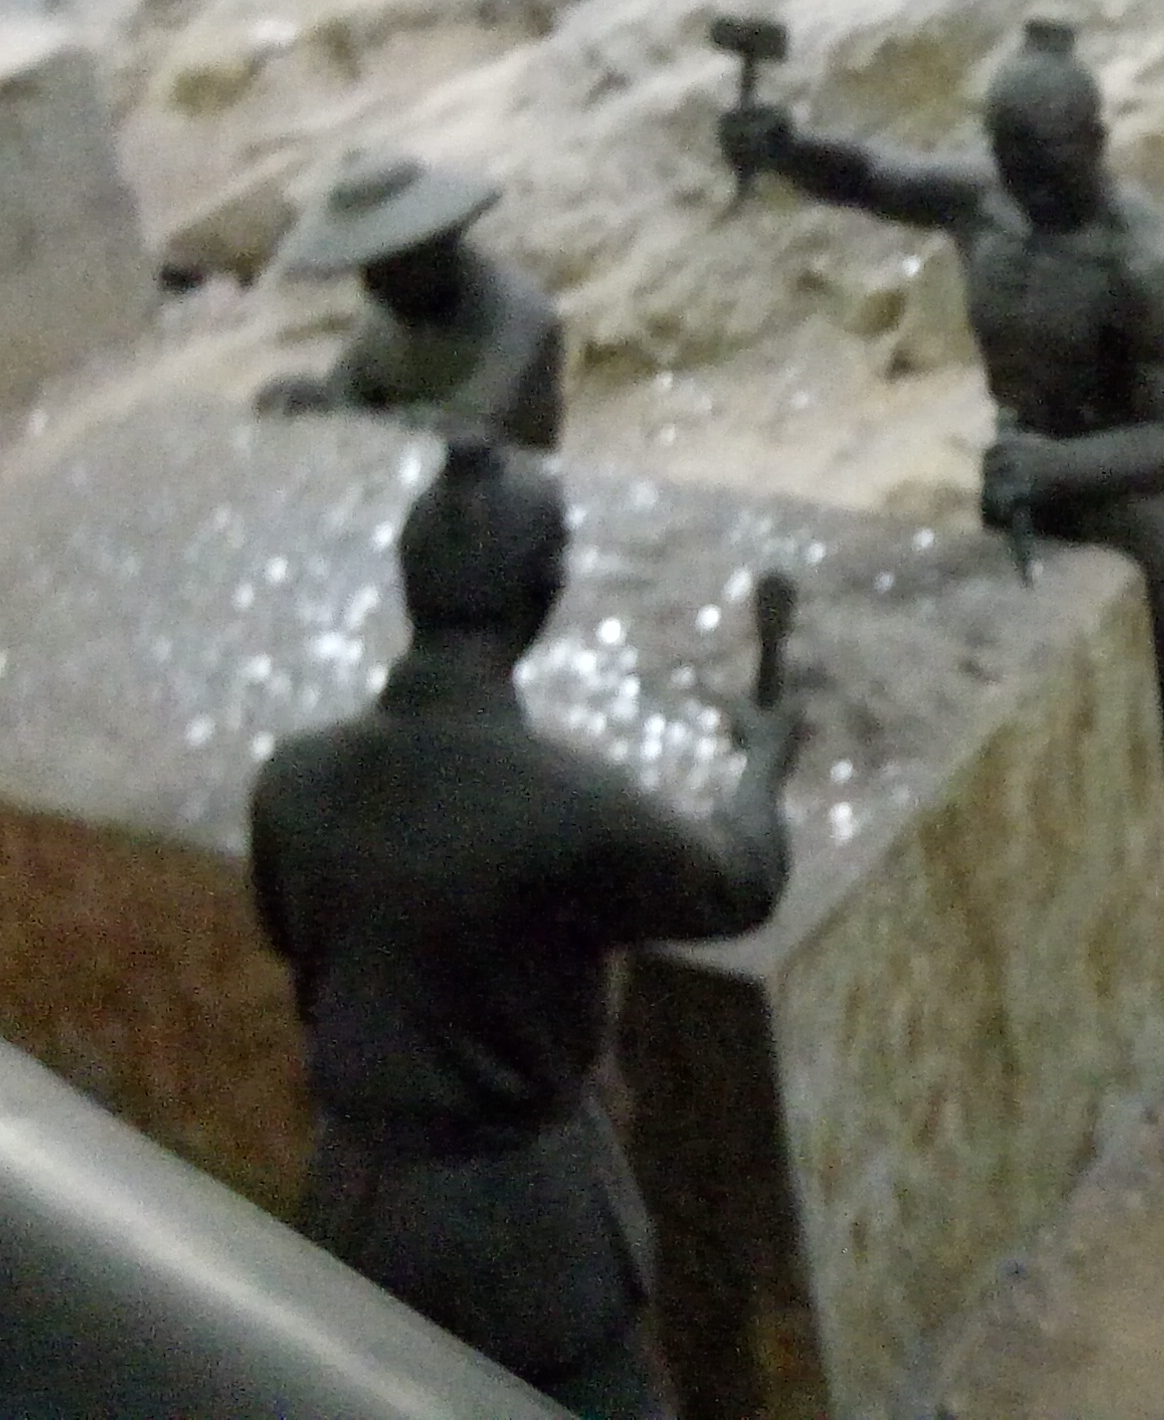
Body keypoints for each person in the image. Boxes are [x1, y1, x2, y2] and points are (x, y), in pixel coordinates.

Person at [250, 435, 800, 1420]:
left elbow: (294, 943)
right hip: (534, 1243)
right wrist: (763, 764)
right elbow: (738, 880)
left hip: (358, 1212)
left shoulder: (292, 783)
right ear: (544, 595)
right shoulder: (567, 804)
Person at [718, 18, 1164, 1003]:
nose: (1030, 186)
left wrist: (1053, 465)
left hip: (1139, 522)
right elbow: (873, 177)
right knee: (1044, 712)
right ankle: (1086, 916)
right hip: (1028, 503)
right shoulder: (988, 203)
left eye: (1048, 165)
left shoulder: (1146, 265)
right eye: (1014, 163)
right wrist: (789, 149)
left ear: (1095, 143)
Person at [259, 150, 568, 448]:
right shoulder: (387, 315)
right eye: (370, 271)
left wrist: (348, 417)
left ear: (435, 251)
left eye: (393, 270)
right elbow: (352, 392)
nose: (375, 288)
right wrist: (313, 401)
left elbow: (470, 432)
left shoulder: (518, 315)